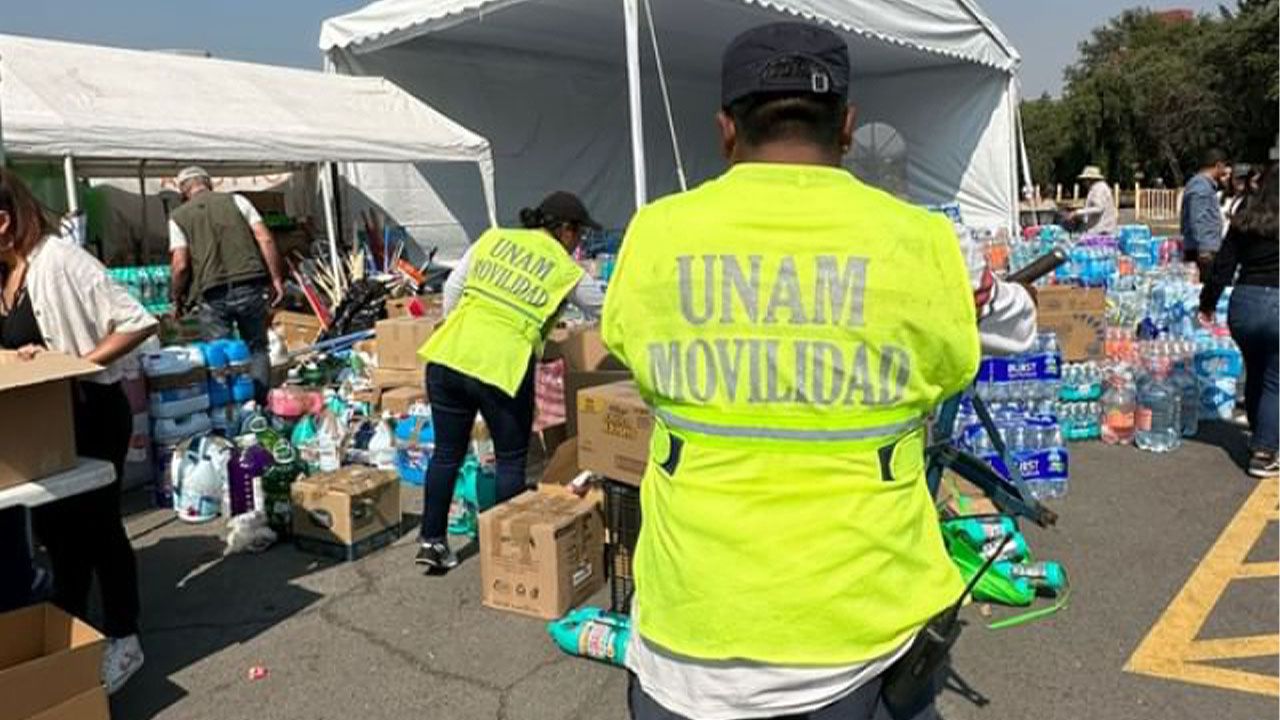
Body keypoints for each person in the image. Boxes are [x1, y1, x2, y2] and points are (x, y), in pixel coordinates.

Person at [602, 22, 1036, 720]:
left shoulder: (654, 234)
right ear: (849, 126)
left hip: (689, 632)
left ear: (726, 129)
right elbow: (1011, 329)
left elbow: (626, 343)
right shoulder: (922, 243)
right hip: (863, 636)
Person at [0, 167, 157, 693]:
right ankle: (72, 635)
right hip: (42, 425)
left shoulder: (60, 260)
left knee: (98, 527)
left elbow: (138, 320)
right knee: (56, 534)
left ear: (2, 221)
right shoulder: (4, 276)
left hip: (91, 412)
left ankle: (124, 637)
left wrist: (75, 364)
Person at [414, 191, 606, 570]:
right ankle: (505, 551)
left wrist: (464, 331)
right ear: (565, 230)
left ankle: (432, 541)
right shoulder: (565, 268)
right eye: (579, 234)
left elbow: (452, 289)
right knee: (510, 460)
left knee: (447, 454)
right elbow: (605, 308)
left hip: (449, 356)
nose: (580, 243)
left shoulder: (493, 238)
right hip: (501, 368)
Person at [168, 166, 286, 399]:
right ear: (209, 184)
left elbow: (180, 265)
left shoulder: (178, 216)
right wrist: (276, 278)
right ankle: (259, 405)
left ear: (183, 191)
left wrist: (176, 297)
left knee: (219, 356)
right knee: (257, 348)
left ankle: (231, 409)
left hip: (211, 293)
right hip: (249, 283)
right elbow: (265, 239)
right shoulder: (237, 201)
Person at [1200, 165, 1278, 478]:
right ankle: (1265, 452)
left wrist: (1208, 302)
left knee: (1256, 371)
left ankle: (1261, 436)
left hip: (1244, 303)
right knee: (1276, 379)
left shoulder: (1245, 217)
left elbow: (1223, 264)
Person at [1181, 148, 1230, 280]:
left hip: (1206, 249)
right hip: (1204, 252)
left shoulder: (1204, 186)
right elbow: (1198, 219)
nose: (1225, 171)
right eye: (1224, 167)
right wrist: (1204, 249)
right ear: (1218, 165)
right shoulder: (1201, 187)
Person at [1070, 165, 1118, 235]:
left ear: (1090, 179)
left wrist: (1078, 212)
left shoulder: (1098, 189)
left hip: (1101, 229)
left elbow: (1099, 208)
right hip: (1104, 227)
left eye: (1085, 180)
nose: (1084, 183)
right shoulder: (1100, 187)